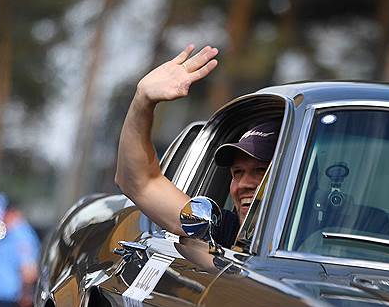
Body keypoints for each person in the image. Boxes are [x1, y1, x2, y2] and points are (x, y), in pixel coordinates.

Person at [114, 45, 277, 246]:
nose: (244, 184)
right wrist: (142, 100)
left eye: (261, 170)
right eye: (237, 172)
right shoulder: (223, 230)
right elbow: (139, 182)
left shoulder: (315, 241)